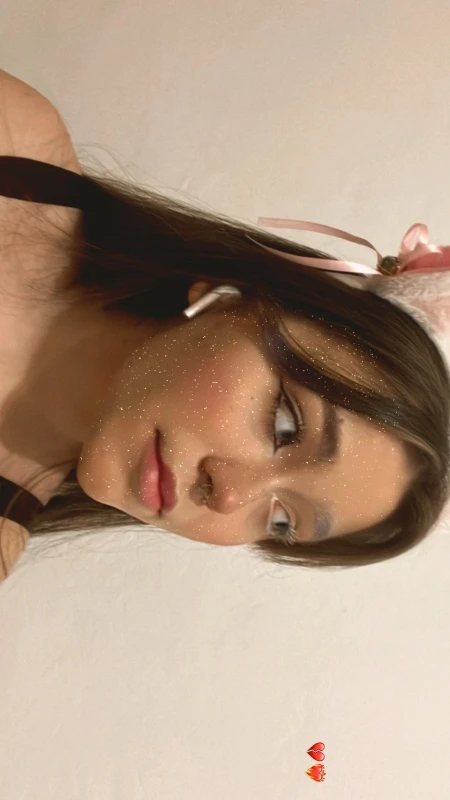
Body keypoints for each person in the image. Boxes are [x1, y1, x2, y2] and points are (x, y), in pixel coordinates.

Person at [0, 70, 449, 581]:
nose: (231, 495)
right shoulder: (15, 139)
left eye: (281, 519)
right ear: (230, 295)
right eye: (285, 425)